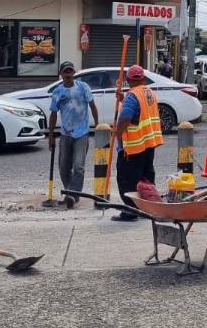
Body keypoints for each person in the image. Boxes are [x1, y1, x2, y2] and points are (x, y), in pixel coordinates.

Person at [111, 64, 164, 221]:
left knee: (127, 179)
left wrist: (118, 133)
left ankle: (130, 211)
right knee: (146, 177)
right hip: (149, 143)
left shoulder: (132, 96)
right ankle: (147, 208)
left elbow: (126, 116)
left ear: (128, 80)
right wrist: (124, 99)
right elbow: (140, 111)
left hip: (133, 146)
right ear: (143, 79)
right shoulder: (149, 93)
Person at [48, 61, 99, 208]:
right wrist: (51, 136)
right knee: (64, 167)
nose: (68, 74)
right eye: (65, 71)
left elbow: (93, 106)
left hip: (81, 133)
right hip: (65, 134)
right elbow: (53, 114)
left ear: (74, 73)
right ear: (61, 74)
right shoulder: (58, 92)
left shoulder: (83, 87)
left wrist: (97, 125)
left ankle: (72, 194)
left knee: (78, 166)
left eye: (70, 71)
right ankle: (73, 194)